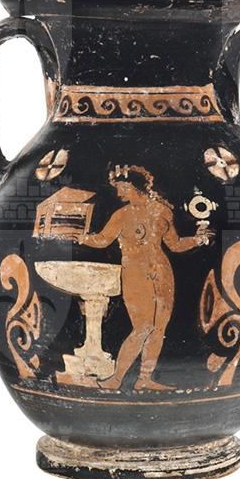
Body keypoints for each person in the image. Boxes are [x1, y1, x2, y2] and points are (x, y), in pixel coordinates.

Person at [79, 165, 213, 390]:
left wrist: (196, 240)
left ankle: (144, 380)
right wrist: (81, 237)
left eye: (121, 186)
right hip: (135, 272)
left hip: (162, 271)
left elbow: (174, 244)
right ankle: (116, 379)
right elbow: (102, 240)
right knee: (142, 327)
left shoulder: (162, 211)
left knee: (159, 328)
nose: (118, 192)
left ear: (133, 186)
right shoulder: (121, 215)